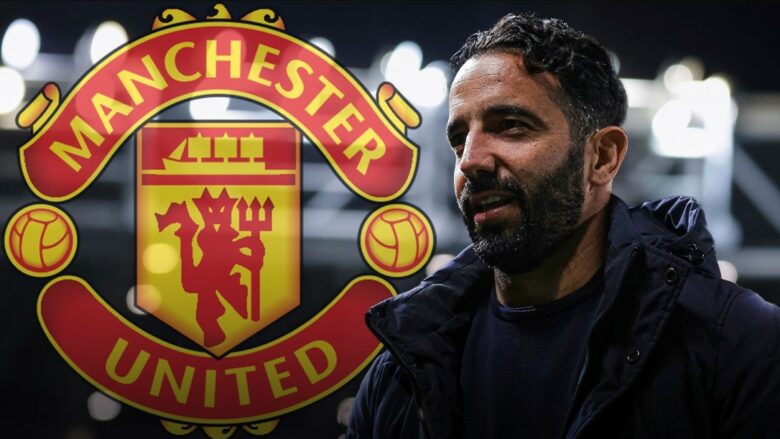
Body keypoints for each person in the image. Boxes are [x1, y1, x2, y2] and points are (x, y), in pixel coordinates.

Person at [346, 12, 780, 439]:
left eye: (510, 127)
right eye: (459, 139)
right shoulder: (400, 370)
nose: (470, 161)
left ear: (603, 157)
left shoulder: (736, 343)